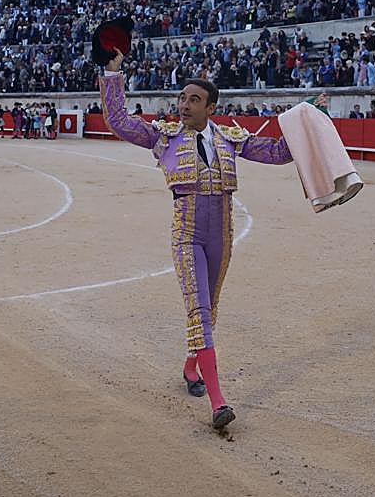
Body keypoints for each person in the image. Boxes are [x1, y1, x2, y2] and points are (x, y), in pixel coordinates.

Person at [100, 48, 314, 432]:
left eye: (194, 100)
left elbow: (280, 152)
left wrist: (308, 117)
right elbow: (117, 120)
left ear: (211, 107)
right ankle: (218, 403)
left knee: (210, 308)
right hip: (187, 235)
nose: (184, 105)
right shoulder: (162, 137)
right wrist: (113, 73)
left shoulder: (231, 139)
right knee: (199, 312)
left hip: (222, 236)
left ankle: (190, 367)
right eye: (182, 98)